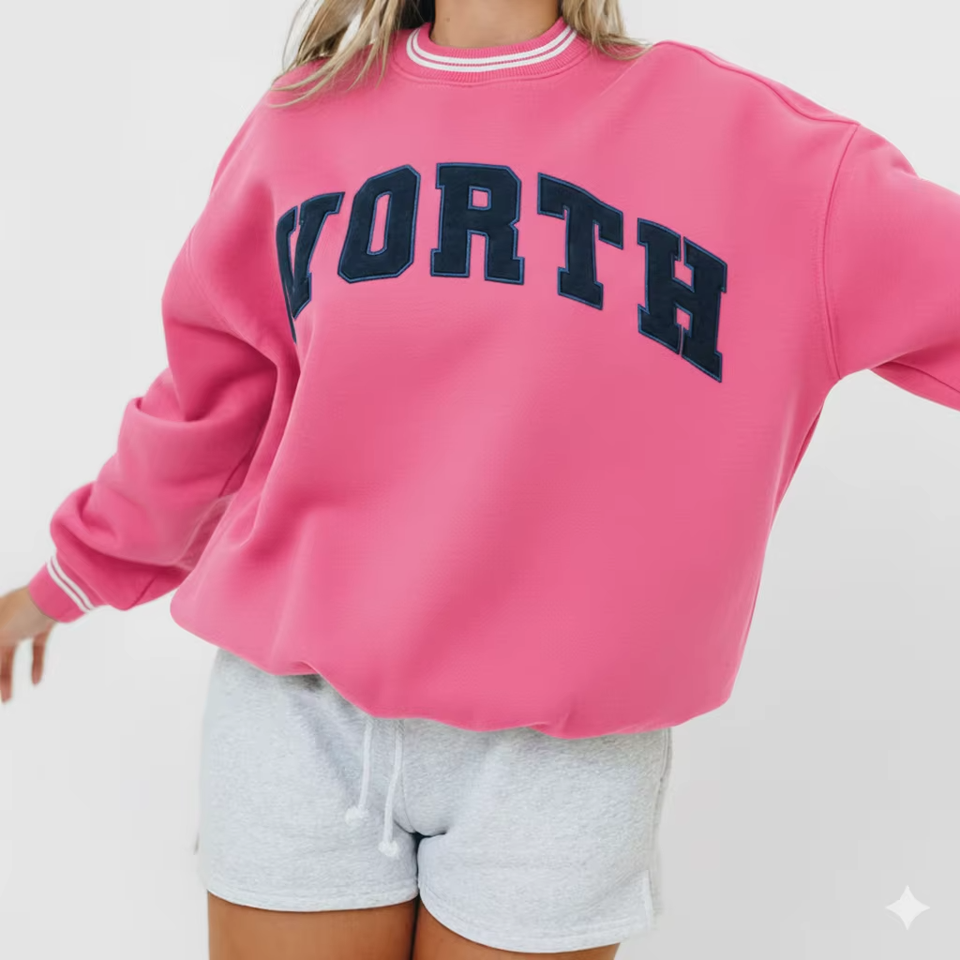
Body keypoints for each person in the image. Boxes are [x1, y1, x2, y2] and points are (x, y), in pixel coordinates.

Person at [2, 0, 960, 955]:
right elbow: (207, 410)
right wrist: (62, 583)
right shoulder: (303, 122)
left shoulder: (761, 151)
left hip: (565, 759)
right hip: (301, 720)